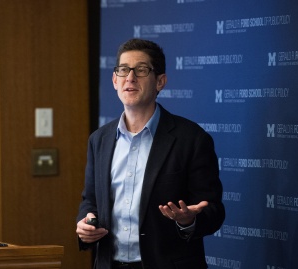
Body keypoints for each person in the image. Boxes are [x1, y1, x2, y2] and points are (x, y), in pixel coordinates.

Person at [76, 38, 225, 269]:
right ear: (115, 80)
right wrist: (86, 224)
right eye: (123, 70)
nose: (130, 77)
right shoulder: (99, 140)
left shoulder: (192, 139)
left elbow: (214, 211)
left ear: (160, 81)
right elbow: (91, 201)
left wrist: (189, 220)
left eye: (142, 70)